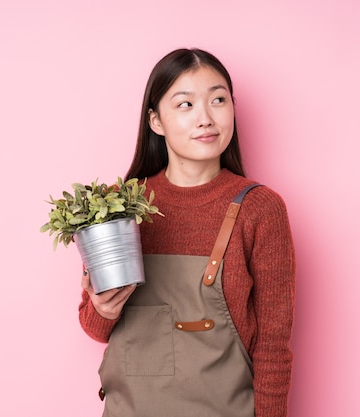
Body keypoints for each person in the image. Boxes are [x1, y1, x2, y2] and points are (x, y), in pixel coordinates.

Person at [78, 48, 296, 417]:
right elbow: (95, 327)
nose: (206, 118)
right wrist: (101, 308)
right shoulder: (118, 207)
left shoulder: (260, 208)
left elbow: (273, 346)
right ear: (156, 121)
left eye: (218, 100)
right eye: (185, 104)